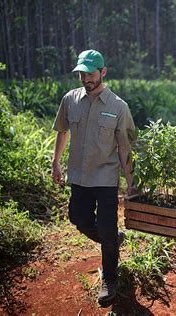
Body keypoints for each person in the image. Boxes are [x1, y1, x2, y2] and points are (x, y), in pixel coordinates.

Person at [51, 49, 136, 305]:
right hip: (79, 175)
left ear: (103, 72)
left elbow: (124, 147)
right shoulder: (70, 99)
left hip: (106, 178)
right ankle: (112, 240)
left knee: (107, 227)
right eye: (82, 74)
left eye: (91, 73)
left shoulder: (118, 107)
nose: (86, 78)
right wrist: (55, 162)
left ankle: (110, 279)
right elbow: (62, 132)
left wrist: (131, 181)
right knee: (78, 219)